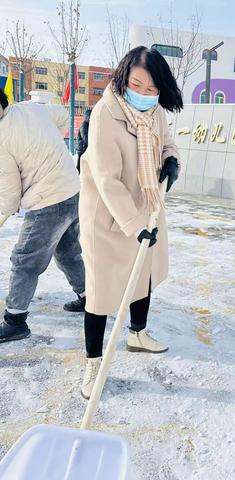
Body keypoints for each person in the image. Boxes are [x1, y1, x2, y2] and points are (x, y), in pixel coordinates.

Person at [79, 46, 183, 399]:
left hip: (147, 206)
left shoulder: (155, 113)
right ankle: (93, 363)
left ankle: (137, 334)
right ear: (123, 76)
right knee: (101, 291)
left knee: (144, 274)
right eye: (137, 85)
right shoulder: (105, 116)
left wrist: (171, 161)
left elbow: (168, 143)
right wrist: (135, 222)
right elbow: (107, 179)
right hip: (109, 215)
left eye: (152, 90)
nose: (143, 94)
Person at [0, 87, 86, 343]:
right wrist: (52, 143)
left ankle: (15, 320)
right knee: (68, 252)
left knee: (25, 259)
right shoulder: (31, 108)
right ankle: (88, 297)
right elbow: (61, 116)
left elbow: (9, 194)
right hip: (72, 189)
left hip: (47, 201)